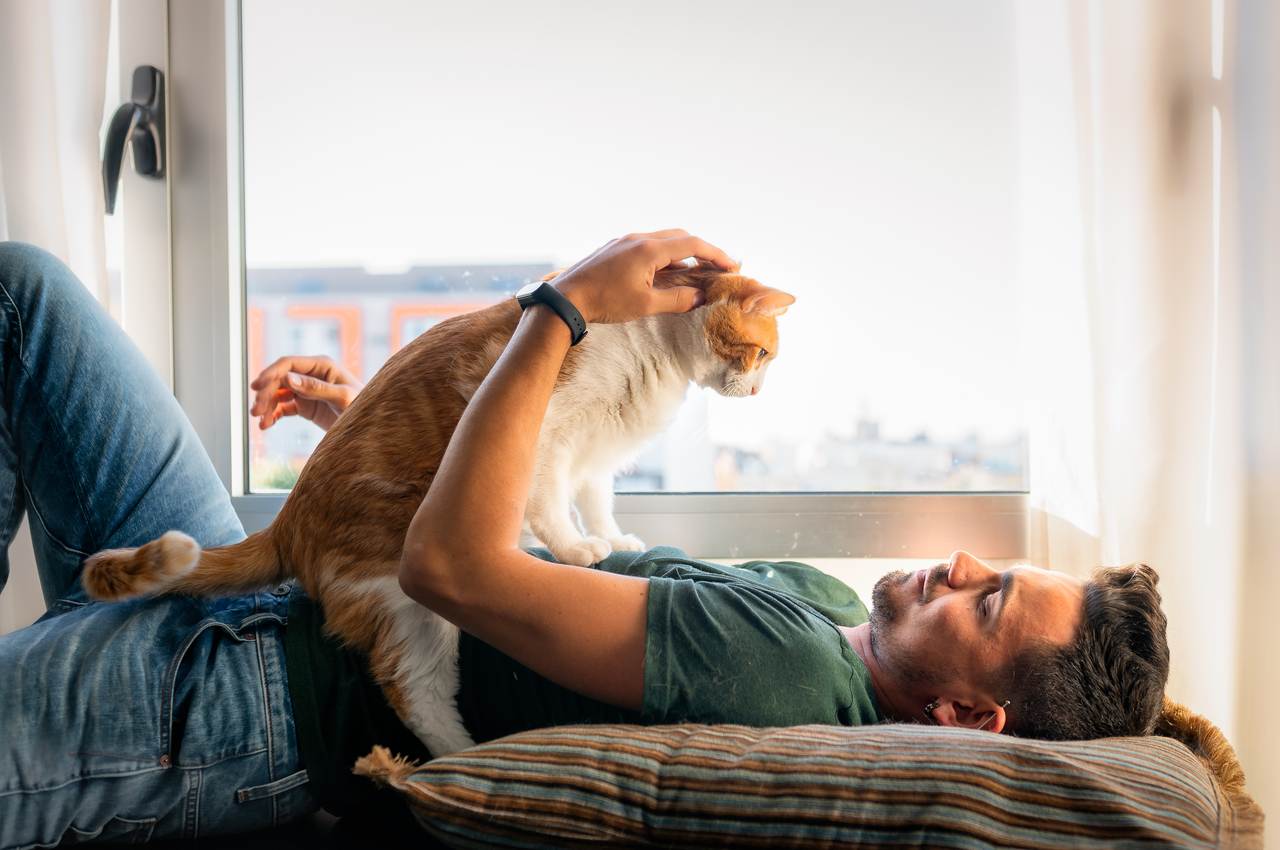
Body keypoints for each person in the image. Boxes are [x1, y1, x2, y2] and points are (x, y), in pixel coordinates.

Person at [0, 235, 1170, 847]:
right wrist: (368, 426)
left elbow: (450, 567)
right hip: (305, 568)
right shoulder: (823, 603)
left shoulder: (781, 664)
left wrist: (561, 305)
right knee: (26, 299)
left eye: (987, 598)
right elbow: (520, 516)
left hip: (246, 688)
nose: (963, 561)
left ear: (966, 719)